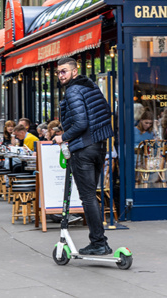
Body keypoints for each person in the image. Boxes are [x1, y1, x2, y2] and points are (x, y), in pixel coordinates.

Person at [53, 57, 114, 256]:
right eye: (58, 72)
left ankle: (98, 242)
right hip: (99, 146)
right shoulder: (92, 87)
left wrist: (63, 136)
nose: (60, 75)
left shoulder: (72, 91)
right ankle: (99, 241)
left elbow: (80, 123)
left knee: (87, 197)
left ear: (74, 71)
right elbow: (106, 111)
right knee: (91, 196)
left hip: (84, 149)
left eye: (64, 71)